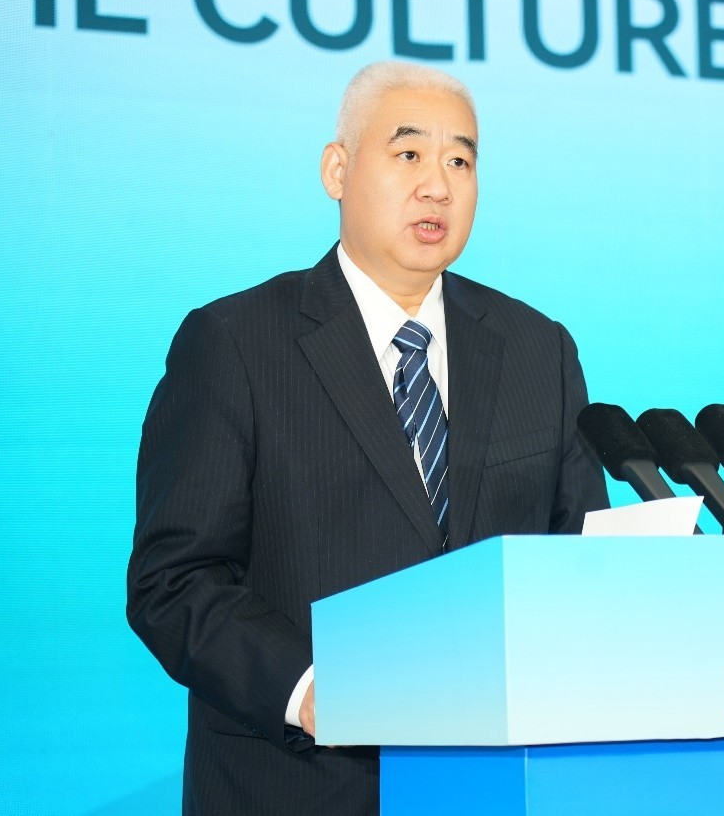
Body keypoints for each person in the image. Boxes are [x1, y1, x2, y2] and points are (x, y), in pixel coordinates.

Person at [126, 61, 609, 814]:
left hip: (497, 786)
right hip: (298, 785)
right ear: (337, 170)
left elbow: (577, 558)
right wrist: (312, 689)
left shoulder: (536, 349)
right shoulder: (236, 344)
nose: (438, 185)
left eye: (460, 161)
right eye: (409, 153)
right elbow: (174, 580)